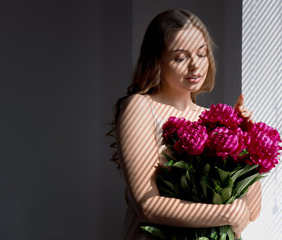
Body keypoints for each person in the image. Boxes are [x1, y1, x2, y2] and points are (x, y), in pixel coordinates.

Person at [108, 9, 262, 240]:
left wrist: (246, 140)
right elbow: (147, 207)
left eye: (201, 54)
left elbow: (252, 211)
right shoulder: (139, 107)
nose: (195, 66)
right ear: (157, 60)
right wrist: (226, 213)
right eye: (180, 57)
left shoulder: (213, 118)